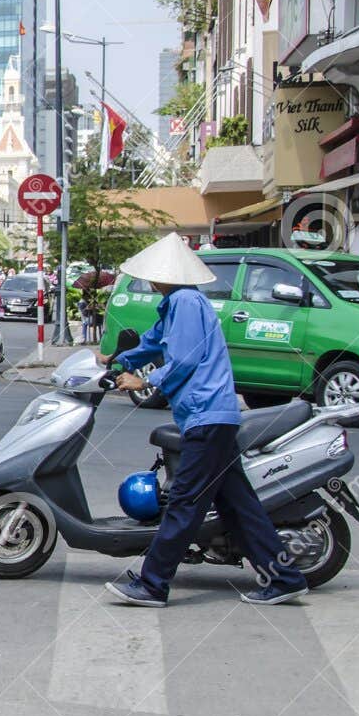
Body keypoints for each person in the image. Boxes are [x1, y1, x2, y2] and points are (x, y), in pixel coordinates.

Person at [104, 234, 307, 608]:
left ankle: (153, 584)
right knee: (238, 505)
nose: (148, 280)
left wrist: (145, 380)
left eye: (152, 273)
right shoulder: (176, 304)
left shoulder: (184, 301)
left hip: (206, 417)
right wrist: (118, 360)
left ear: (164, 274)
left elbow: (182, 359)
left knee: (185, 502)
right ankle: (284, 578)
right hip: (213, 417)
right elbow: (153, 342)